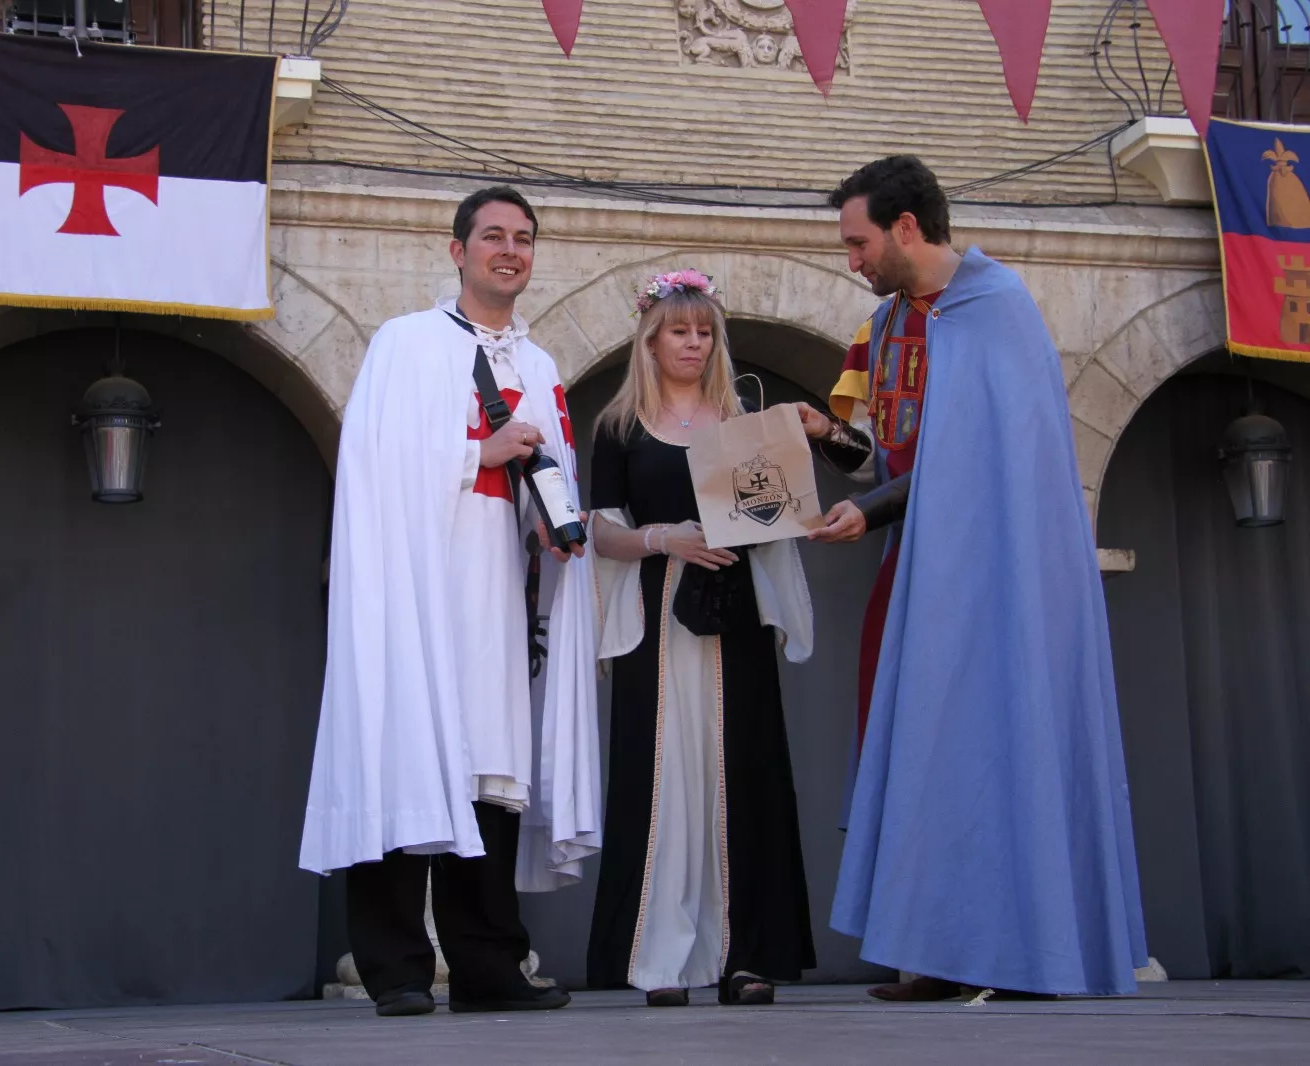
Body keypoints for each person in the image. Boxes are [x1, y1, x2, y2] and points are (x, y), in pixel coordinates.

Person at [798, 156, 1148, 1001]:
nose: (852, 260)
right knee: (926, 750)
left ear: (907, 227)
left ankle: (1027, 952)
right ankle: (936, 954)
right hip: (918, 569)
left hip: (999, 578)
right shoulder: (883, 330)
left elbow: (978, 459)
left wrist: (873, 509)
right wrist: (822, 434)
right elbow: (886, 458)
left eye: (859, 241)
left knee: (1000, 741)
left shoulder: (999, 311)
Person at [298, 186, 602, 1017]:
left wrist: (558, 529)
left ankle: (488, 968)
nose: (511, 250)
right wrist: (482, 450)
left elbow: (553, 477)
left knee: (490, 771)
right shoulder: (407, 343)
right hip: (420, 589)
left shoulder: (538, 367)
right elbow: (373, 462)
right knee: (409, 752)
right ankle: (395, 968)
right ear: (457, 249)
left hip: (502, 593)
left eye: (525, 239)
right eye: (494, 236)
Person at [584, 270, 818, 1007]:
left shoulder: (744, 422)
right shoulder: (618, 428)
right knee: (662, 776)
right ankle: (663, 960)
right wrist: (666, 539)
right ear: (649, 340)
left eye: (704, 330)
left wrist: (746, 522)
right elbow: (602, 534)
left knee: (740, 775)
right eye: (678, 330)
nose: (693, 342)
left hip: (735, 611)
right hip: (656, 618)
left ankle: (744, 957)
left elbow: (775, 518)